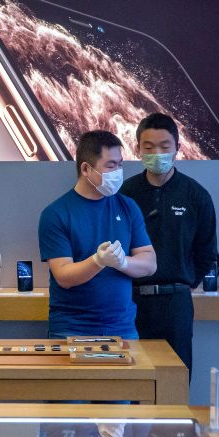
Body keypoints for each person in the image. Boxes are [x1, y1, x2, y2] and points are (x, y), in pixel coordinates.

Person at [121, 113, 218, 378]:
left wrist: (183, 281)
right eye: (149, 147)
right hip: (131, 300)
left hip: (176, 303)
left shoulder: (195, 194)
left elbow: (207, 252)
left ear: (178, 147)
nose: (157, 154)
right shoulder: (125, 194)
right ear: (137, 149)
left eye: (165, 146)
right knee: (131, 380)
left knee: (174, 380)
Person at [38, 130, 157, 340]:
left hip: (122, 329)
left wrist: (122, 262)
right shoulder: (56, 213)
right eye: (111, 165)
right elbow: (64, 276)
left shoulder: (128, 207)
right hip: (71, 329)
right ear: (86, 168)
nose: (118, 171)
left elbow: (149, 263)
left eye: (120, 164)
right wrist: (98, 261)